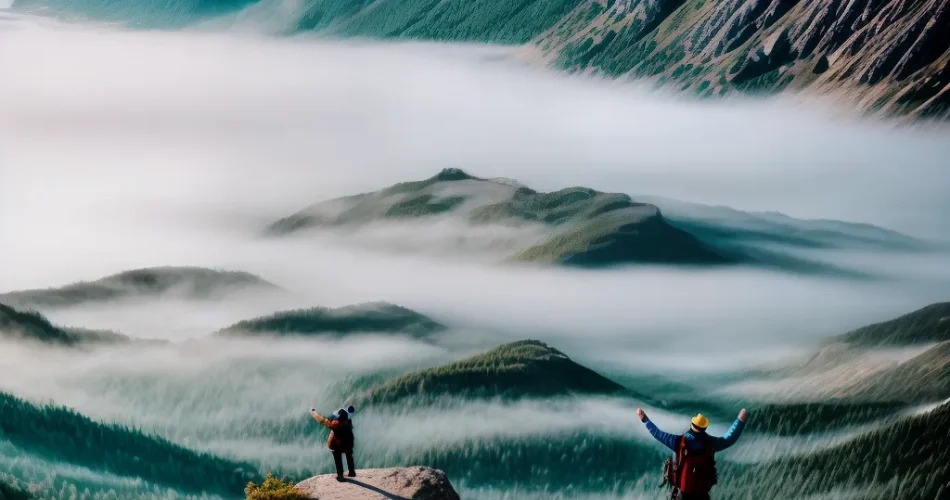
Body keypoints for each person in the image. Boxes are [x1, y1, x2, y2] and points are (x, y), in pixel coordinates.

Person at [636, 407, 747, 500]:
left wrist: (645, 420)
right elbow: (729, 439)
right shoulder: (711, 444)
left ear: (692, 425)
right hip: (702, 495)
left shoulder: (678, 442)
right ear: (705, 428)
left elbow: (657, 433)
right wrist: (740, 421)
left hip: (683, 494)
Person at [310, 407, 356, 481]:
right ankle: (351, 472)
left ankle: (340, 475)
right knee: (349, 454)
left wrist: (313, 412)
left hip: (339, 444)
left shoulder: (334, 425)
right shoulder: (348, 422)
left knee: (337, 455)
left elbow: (321, 420)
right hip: (348, 442)